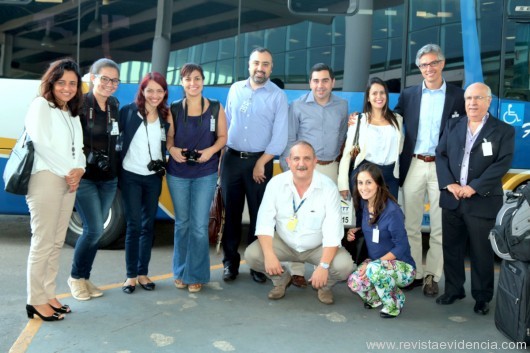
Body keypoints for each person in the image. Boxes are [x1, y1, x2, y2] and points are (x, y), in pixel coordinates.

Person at [435, 82, 515, 315]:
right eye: (469, 98)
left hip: (481, 200)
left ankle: (482, 297)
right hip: (452, 199)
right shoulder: (453, 125)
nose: (472, 103)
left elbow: (502, 163)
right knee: (452, 248)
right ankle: (453, 289)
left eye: (478, 98)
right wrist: (448, 183)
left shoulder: (503, 130)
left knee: (481, 251)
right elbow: (441, 155)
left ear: (488, 101)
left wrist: (474, 187)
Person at [393, 44, 466, 296]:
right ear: (419, 68)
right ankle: (414, 272)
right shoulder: (409, 94)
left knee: (439, 226)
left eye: (433, 63)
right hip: (412, 164)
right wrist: (360, 119)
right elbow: (390, 121)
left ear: (442, 64)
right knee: (410, 224)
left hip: (442, 168)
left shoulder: (459, 96)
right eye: (424, 65)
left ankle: (433, 276)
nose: (429, 69)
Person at [245, 141, 354, 304]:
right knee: (253, 255)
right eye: (296, 159)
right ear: (288, 162)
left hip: (318, 246)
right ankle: (281, 280)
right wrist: (269, 255)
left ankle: (324, 285)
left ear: (315, 161)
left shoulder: (328, 187)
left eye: (307, 159)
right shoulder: (276, 184)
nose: (301, 164)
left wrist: (323, 266)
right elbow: (264, 223)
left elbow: (333, 231)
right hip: (285, 242)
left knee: (344, 266)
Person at [221, 47, 288, 283]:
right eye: (256, 63)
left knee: (261, 216)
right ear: (249, 66)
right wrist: (221, 160)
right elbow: (226, 125)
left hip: (261, 162)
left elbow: (280, 136)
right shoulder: (235, 89)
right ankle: (230, 263)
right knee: (231, 215)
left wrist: (261, 162)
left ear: (272, 68)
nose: (260, 68)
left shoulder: (278, 96)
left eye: (266, 64)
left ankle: (257, 265)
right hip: (231, 160)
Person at [25, 58, 85, 321]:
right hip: (46, 179)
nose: (67, 88)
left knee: (57, 242)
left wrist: (79, 170)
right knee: (43, 241)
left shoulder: (70, 112)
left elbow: (79, 149)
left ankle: (48, 294)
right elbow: (41, 143)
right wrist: (69, 173)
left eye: (72, 83)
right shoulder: (41, 106)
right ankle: (35, 300)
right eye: (62, 82)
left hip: (68, 181)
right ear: (51, 82)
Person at [279, 63, 348, 288]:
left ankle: (324, 265)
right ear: (310, 83)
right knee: (298, 217)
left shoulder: (342, 105)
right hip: (303, 169)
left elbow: (342, 137)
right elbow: (290, 139)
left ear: (332, 82)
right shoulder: (297, 106)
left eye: (325, 80)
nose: (320, 85)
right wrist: (289, 169)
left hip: (329, 167)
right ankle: (296, 270)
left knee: (328, 219)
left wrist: (335, 162)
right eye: (316, 81)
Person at [166, 63, 227, 293]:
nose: (193, 83)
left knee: (200, 226)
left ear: (203, 81)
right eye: (188, 79)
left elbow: (222, 137)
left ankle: (197, 274)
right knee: (182, 224)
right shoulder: (173, 108)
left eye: (198, 78)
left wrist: (210, 152)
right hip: (178, 173)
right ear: (182, 82)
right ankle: (181, 272)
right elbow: (169, 138)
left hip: (205, 173)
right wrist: (172, 150)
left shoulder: (215, 108)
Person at [67, 58, 121, 301]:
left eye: (115, 80)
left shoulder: (114, 105)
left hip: (109, 178)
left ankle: (84, 277)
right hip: (85, 178)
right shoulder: (78, 105)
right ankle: (76, 277)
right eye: (105, 79)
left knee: (96, 232)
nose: (110, 84)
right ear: (92, 77)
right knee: (94, 229)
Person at [118, 72, 170, 294]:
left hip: (153, 178)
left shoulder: (166, 116)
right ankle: (130, 276)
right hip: (130, 175)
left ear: (165, 93)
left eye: (159, 91)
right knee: (134, 225)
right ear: (142, 91)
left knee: (148, 226)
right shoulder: (128, 112)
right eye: (150, 90)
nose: (154, 95)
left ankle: (142, 273)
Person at [346, 163, 415, 318]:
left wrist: (373, 264)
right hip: (376, 263)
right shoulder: (365, 203)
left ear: (378, 184)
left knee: (373, 270)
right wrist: (356, 231)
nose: (364, 187)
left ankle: (395, 302)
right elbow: (373, 229)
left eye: (369, 182)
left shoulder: (392, 211)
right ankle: (377, 299)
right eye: (360, 183)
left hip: (403, 267)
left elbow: (401, 246)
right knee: (354, 282)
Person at [338, 77, 403, 200]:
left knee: (389, 216)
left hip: (390, 176)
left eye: (382, 92)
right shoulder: (358, 121)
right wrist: (343, 184)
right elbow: (347, 154)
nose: (379, 96)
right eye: (374, 93)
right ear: (368, 97)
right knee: (365, 217)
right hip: (365, 176)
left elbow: (400, 147)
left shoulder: (397, 119)